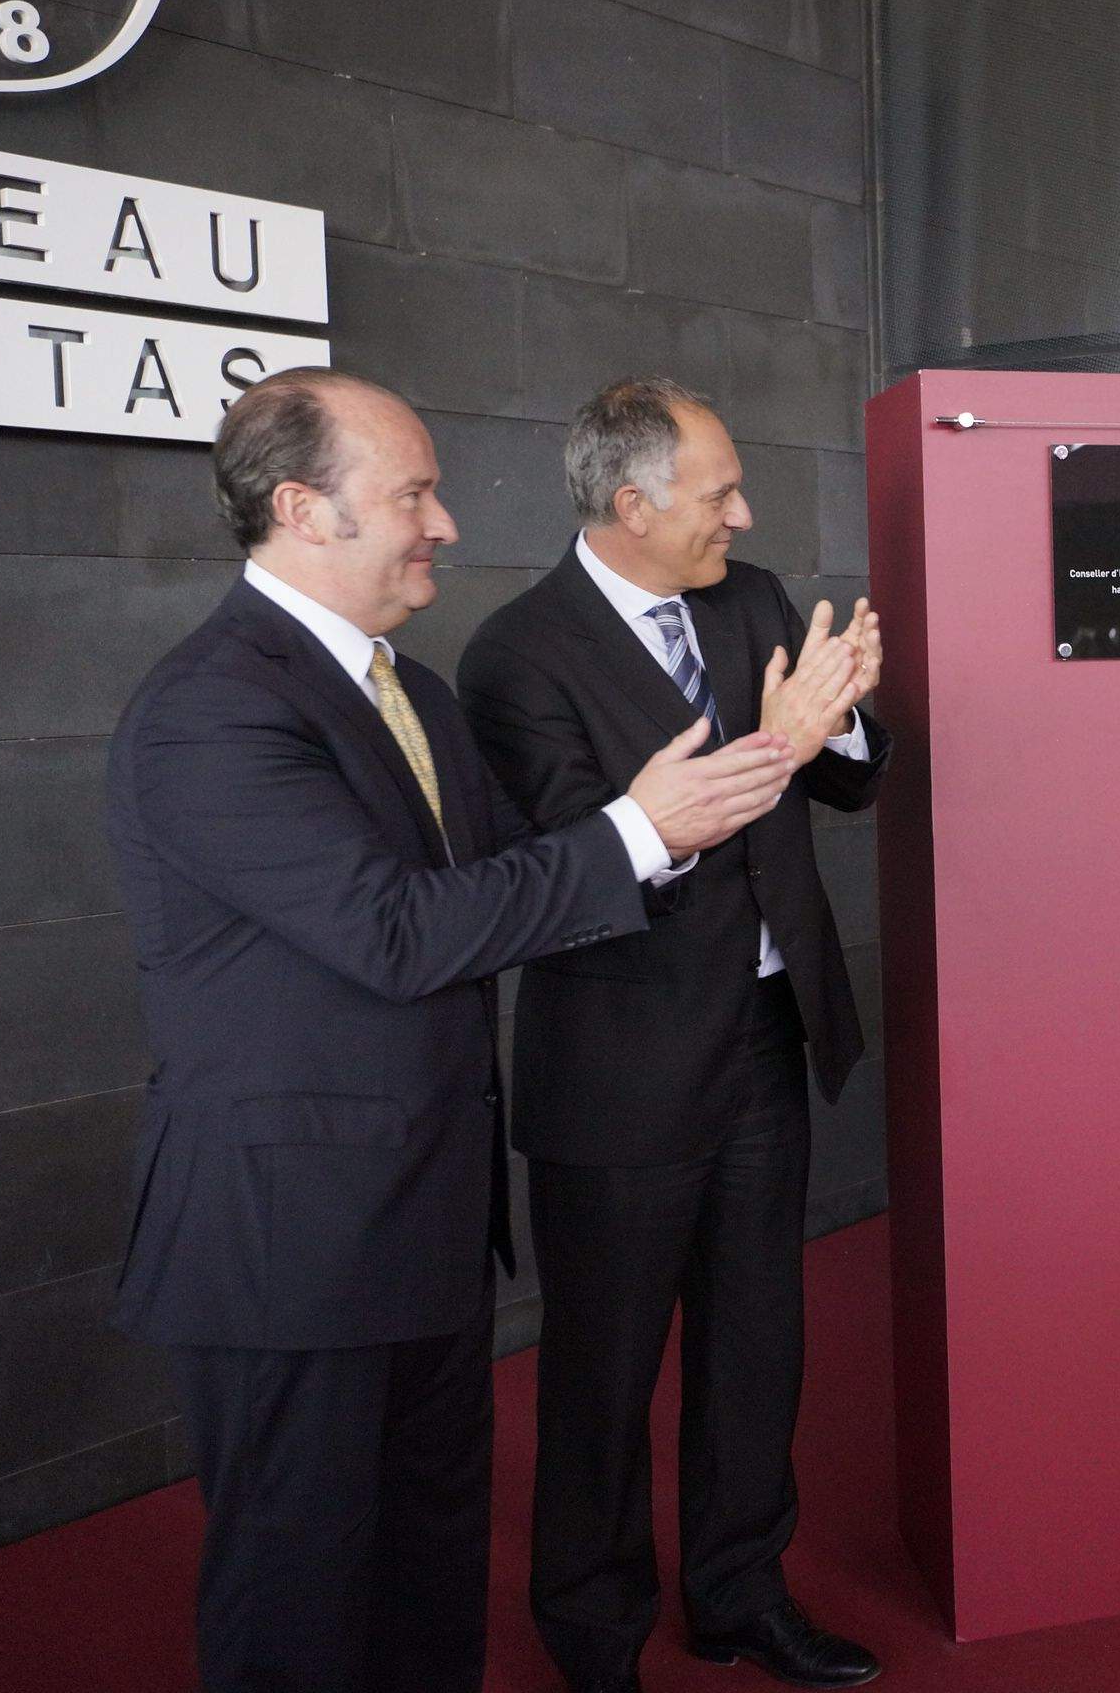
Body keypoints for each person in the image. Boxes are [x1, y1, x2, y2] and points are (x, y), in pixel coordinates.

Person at [106, 369, 800, 1693]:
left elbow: (519, 887)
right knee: (300, 1592)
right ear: (305, 510)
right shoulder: (211, 709)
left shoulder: (410, 692)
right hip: (290, 1244)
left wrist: (718, 784)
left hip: (427, 1221)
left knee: (429, 1571)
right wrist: (644, 827)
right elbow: (399, 934)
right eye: (414, 493)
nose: (445, 524)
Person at [457, 377, 888, 1693]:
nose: (743, 514)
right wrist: (787, 734)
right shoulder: (517, 656)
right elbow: (606, 867)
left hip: (762, 1039)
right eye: (718, 495)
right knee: (601, 1380)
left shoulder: (747, 597)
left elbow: (855, 780)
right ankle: (594, 1638)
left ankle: (739, 1593)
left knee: (758, 1348)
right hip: (621, 1076)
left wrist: (847, 713)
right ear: (632, 503)